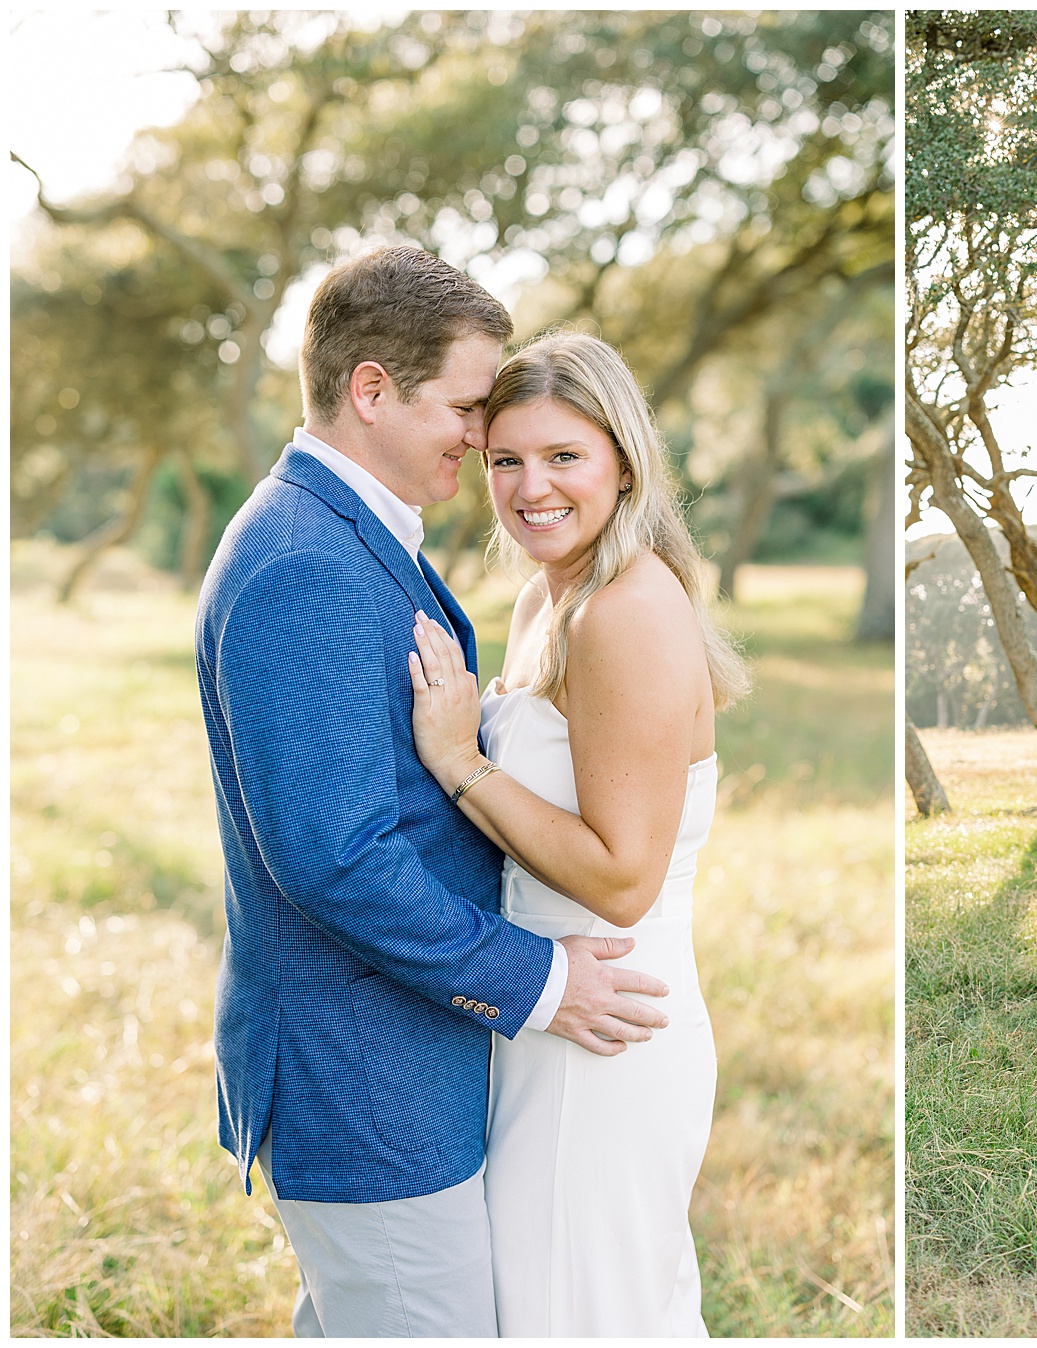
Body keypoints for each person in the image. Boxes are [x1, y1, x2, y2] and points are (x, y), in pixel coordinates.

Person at [195, 247, 672, 1338]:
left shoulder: (354, 537)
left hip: (412, 1063)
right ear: (372, 389)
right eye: (464, 405)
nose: (478, 432)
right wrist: (541, 981)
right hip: (363, 1080)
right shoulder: (302, 560)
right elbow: (333, 858)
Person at [407, 331, 749, 1336]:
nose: (530, 486)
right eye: (506, 459)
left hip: (610, 1025)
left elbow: (622, 875)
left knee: (580, 1312)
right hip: (549, 1009)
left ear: (623, 461)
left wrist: (457, 757)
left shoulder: (626, 612)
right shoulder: (544, 599)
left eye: (564, 457)